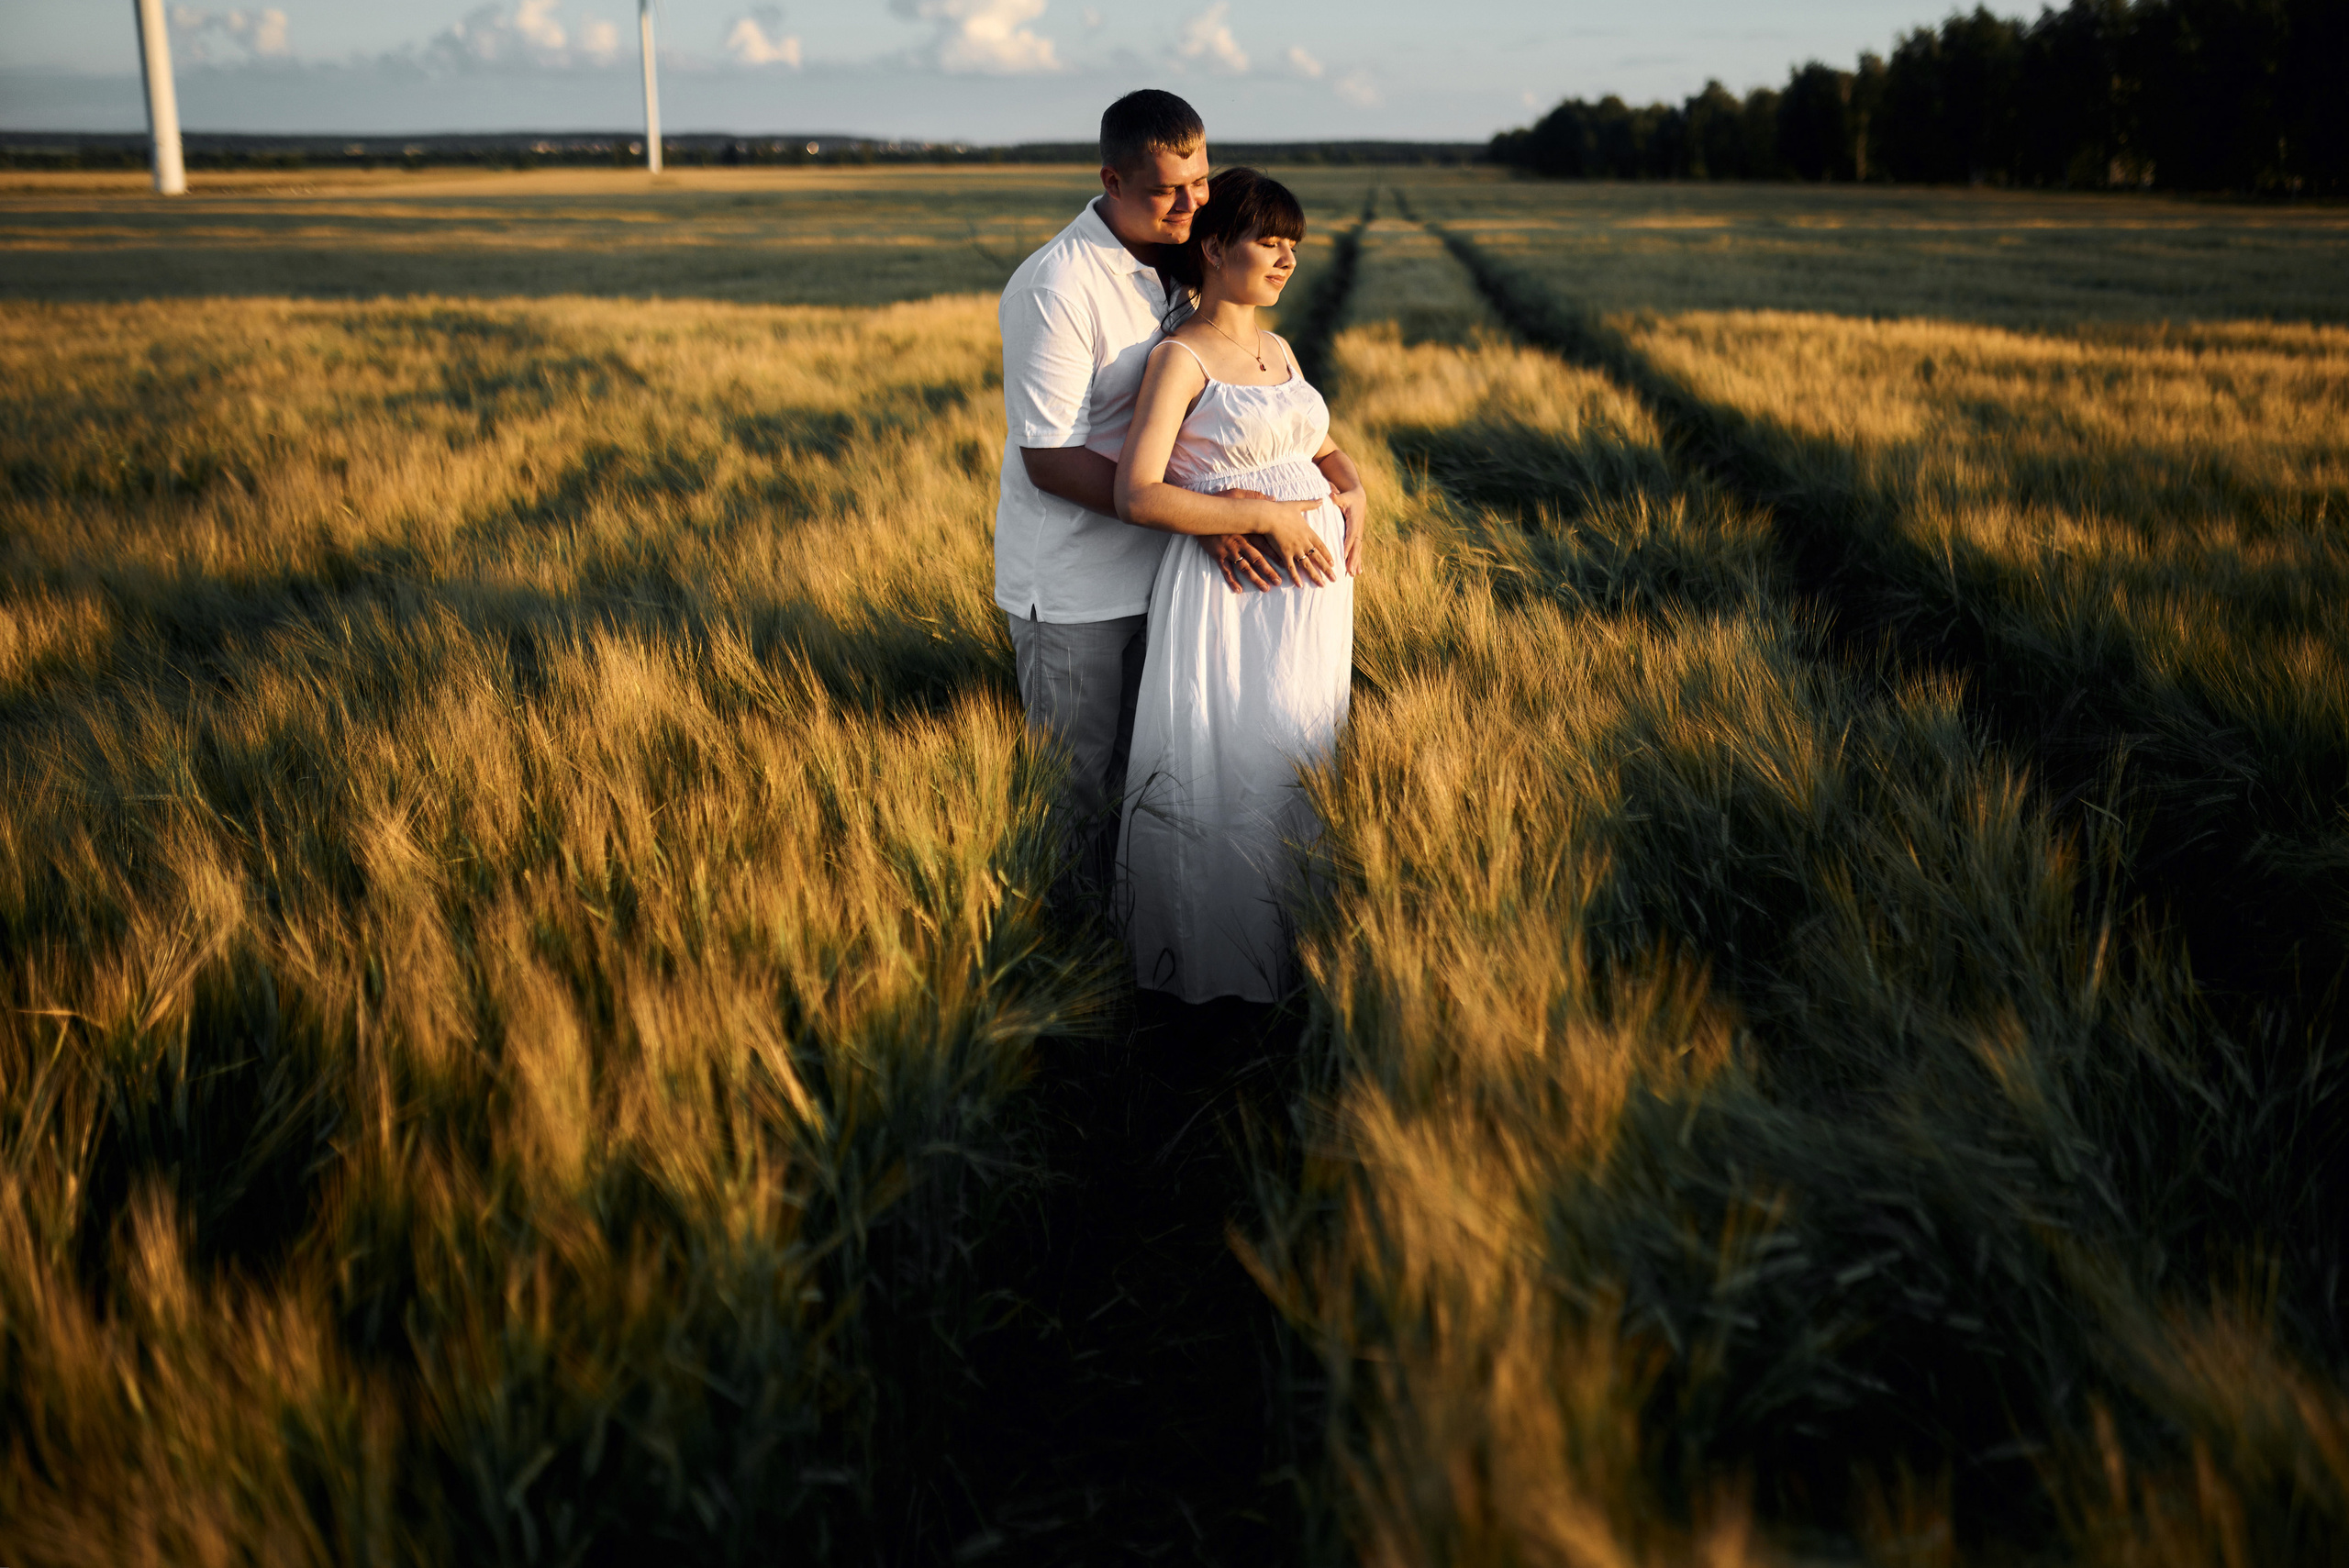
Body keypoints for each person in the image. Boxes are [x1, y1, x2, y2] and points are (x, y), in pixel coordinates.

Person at [995, 90, 1284, 903]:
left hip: (1164, 577)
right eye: (1169, 190)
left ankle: (1141, 941)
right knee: (1075, 790)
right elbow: (1049, 459)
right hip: (1075, 589)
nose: (1194, 204)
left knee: (1149, 777)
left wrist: (1336, 467)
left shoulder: (1185, 266)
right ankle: (1068, 968)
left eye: (1200, 180)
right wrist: (1208, 520)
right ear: (1112, 180)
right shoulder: (1056, 286)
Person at [1111, 168, 1369, 1003]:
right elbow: (1137, 491)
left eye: (1295, 244)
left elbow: (1304, 436)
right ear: (1215, 248)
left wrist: (1347, 478)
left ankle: (1291, 946)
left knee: (1295, 757)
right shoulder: (1181, 357)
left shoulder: (1279, 347)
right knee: (1232, 764)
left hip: (1308, 609)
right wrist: (1258, 516)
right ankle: (1216, 970)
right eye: (1271, 242)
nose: (1288, 259)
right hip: (1234, 604)